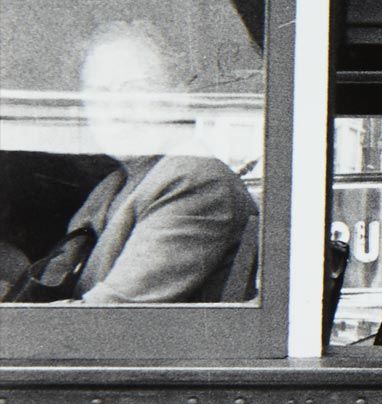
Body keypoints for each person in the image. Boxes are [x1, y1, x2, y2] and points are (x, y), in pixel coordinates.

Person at [40, 22, 260, 304]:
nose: (117, 110)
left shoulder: (195, 180)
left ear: (178, 97)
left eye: (135, 89)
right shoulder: (113, 186)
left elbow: (111, 312)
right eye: (100, 94)